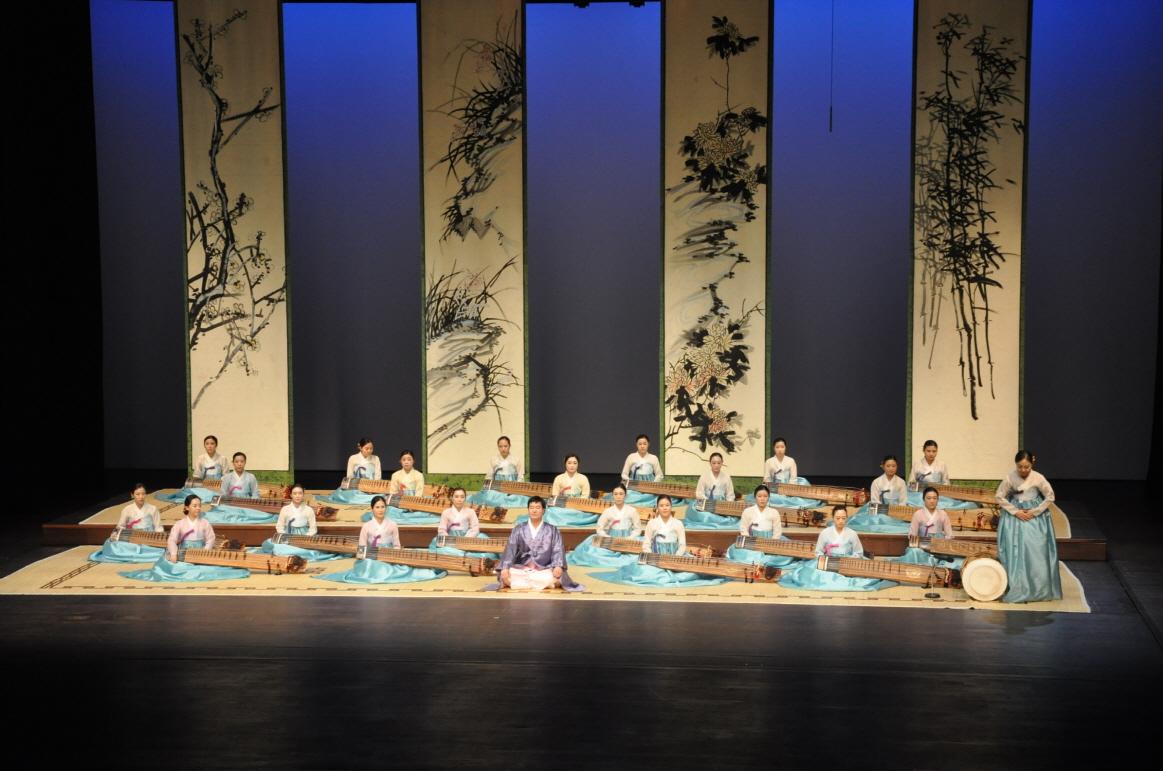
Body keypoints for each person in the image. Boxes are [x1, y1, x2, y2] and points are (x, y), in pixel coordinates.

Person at [591, 495, 726, 587]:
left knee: (689, 573)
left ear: (671, 507)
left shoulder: (678, 523)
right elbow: (646, 543)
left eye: (667, 505)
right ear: (657, 508)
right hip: (655, 557)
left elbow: (682, 545)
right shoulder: (652, 523)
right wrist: (651, 556)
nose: (664, 508)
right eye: (661, 505)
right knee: (646, 573)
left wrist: (676, 557)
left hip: (675, 556)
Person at [120, 495, 249, 582]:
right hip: (184, 553)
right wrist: (174, 553)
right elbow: (172, 540)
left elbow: (210, 538)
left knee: (208, 568)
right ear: (187, 507)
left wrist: (206, 550)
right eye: (194, 506)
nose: (198, 508)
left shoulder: (205, 523)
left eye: (199, 505)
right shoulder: (180, 524)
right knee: (173, 567)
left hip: (201, 553)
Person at [317, 496, 444, 584]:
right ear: (372, 509)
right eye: (377, 507)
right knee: (370, 565)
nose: (380, 510)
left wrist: (394, 556)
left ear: (386, 508)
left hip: (389, 555)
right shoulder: (366, 526)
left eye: (383, 507)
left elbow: (397, 545)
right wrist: (364, 556)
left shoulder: (392, 524)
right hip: (371, 555)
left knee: (398, 568)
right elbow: (361, 548)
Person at [995, 450, 1061, 603]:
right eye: (1020, 467)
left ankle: (1039, 588)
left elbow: (1050, 496)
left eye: (1027, 467)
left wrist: (1035, 511)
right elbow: (999, 496)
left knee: (1035, 550)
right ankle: (1017, 586)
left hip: (1034, 516)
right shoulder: (1010, 477)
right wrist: (1016, 511)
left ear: (1032, 463)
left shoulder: (1038, 477)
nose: (1023, 470)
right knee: (1016, 551)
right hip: (1015, 517)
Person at [778, 506, 895, 591]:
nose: (840, 521)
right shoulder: (825, 532)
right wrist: (825, 559)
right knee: (814, 575)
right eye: (838, 518)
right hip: (829, 561)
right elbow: (818, 552)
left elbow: (859, 552)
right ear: (833, 518)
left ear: (847, 518)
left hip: (848, 561)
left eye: (843, 518)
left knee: (863, 575)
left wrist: (849, 559)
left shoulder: (852, 533)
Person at [494, 497, 582, 591]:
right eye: (531, 508)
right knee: (507, 575)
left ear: (543, 510)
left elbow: (558, 549)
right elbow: (510, 549)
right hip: (522, 568)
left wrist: (558, 566)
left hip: (544, 568)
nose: (534, 510)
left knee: (556, 576)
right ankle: (540, 583)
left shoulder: (552, 530)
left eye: (537, 508)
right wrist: (505, 567)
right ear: (528, 510)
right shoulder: (518, 529)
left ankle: (524, 583)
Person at [567, 484, 642, 567]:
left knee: (638, 554)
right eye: (616, 494)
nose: (618, 496)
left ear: (625, 495)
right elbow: (599, 528)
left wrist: (630, 538)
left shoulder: (632, 511)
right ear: (612, 495)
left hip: (627, 539)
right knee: (593, 552)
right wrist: (607, 537)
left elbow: (637, 529)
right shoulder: (608, 511)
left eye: (621, 494)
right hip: (611, 539)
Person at [259, 484, 338, 562]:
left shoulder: (309, 509)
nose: (297, 496)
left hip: (304, 535)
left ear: (303, 495)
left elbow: (313, 528)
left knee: (311, 549)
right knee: (270, 544)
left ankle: (296, 552)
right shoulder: (285, 509)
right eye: (295, 493)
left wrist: (306, 537)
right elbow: (279, 526)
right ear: (291, 495)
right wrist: (284, 535)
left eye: (300, 493)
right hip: (288, 535)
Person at [89, 483, 165, 563]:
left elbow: (158, 526)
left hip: (148, 535)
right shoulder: (127, 509)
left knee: (161, 548)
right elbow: (121, 526)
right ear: (132, 495)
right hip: (132, 535)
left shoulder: (153, 508)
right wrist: (116, 534)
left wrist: (158, 539)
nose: (141, 497)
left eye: (143, 494)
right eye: (138, 494)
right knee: (112, 543)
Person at [726, 485, 798, 568]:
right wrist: (749, 542)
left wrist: (771, 544)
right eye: (759, 496)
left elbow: (777, 531)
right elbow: (743, 528)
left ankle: (763, 559)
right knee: (738, 551)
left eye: (765, 496)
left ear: (769, 497)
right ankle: (759, 559)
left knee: (786, 552)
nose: (762, 499)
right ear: (755, 497)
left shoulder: (774, 512)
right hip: (752, 540)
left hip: (770, 540)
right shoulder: (747, 511)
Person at [201, 452, 276, 524]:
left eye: (242, 461)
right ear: (233, 463)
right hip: (231, 504)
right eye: (237, 462)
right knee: (219, 512)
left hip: (247, 504)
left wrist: (252, 504)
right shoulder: (227, 477)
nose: (239, 464)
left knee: (262, 515)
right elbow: (223, 493)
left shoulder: (251, 477)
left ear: (245, 462)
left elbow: (255, 493)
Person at [848, 455, 910, 533]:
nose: (891, 468)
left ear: (897, 466)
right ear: (883, 466)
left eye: (893, 466)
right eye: (888, 466)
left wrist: (895, 512)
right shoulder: (876, 482)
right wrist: (885, 511)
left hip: (896, 512)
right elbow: (875, 501)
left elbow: (903, 501)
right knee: (877, 520)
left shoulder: (901, 482)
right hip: (879, 511)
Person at [898, 486, 958, 567]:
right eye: (929, 498)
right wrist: (919, 542)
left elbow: (949, 535)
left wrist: (942, 545)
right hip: (922, 547)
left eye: (934, 498)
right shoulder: (918, 514)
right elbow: (912, 535)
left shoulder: (943, 514)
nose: (932, 501)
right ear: (924, 499)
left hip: (938, 546)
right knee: (914, 552)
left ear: (938, 500)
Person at [429, 488, 491, 558]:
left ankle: (458, 553)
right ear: (452, 498)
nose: (459, 499)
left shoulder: (471, 512)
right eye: (456, 497)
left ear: (465, 498)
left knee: (483, 537)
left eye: (462, 497)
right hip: (451, 539)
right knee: (436, 541)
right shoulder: (446, 512)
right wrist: (450, 540)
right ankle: (461, 554)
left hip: (467, 539)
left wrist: (465, 540)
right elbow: (442, 529)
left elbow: (475, 528)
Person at [685, 453, 740, 531]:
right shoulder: (704, 476)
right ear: (710, 463)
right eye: (714, 463)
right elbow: (699, 493)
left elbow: (730, 495)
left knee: (732, 518)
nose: (716, 465)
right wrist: (709, 503)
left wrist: (728, 506)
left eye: (718, 463)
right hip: (706, 503)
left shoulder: (726, 477)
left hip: (721, 504)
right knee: (706, 516)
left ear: (722, 463)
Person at [472, 435, 528, 508]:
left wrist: (515, 489)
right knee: (489, 496)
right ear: (498, 447)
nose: (503, 449)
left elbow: (520, 477)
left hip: (512, 487)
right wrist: (488, 487)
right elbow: (489, 476)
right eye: (500, 446)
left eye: (505, 446)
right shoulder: (494, 459)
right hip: (497, 487)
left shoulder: (516, 459)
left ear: (509, 446)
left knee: (514, 498)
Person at [541, 454, 596, 527]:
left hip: (579, 505)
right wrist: (564, 503)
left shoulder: (583, 478)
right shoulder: (558, 478)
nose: (572, 465)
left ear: (578, 464)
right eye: (569, 463)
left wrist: (576, 504)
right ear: (565, 464)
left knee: (591, 512)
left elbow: (585, 495)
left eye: (575, 463)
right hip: (562, 506)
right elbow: (555, 495)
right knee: (551, 511)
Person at [620, 434, 664, 506]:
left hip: (649, 485)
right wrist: (630, 482)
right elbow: (624, 474)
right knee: (629, 495)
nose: (642, 446)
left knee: (652, 496)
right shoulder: (631, 457)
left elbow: (659, 475)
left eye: (644, 444)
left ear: (648, 444)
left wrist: (653, 485)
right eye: (640, 444)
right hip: (634, 484)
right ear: (636, 445)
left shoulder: (653, 458)